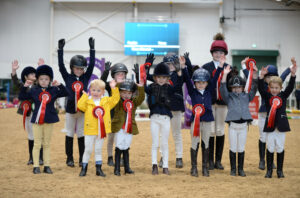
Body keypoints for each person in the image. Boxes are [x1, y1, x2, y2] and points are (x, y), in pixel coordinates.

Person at [202, 33, 249, 170]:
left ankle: (218, 160)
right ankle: (210, 160)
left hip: (223, 104)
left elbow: (234, 86)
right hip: (210, 103)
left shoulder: (230, 68)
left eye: (221, 52)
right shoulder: (206, 67)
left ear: (224, 53)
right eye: (216, 52)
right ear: (212, 53)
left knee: (220, 130)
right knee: (210, 131)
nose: (218, 54)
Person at [19, 65, 68, 174]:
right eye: (41, 79)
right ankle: (36, 166)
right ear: (37, 79)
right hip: (36, 120)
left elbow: (66, 93)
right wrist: (25, 86)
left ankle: (47, 165)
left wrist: (60, 85)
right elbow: (22, 97)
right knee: (37, 143)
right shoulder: (33, 90)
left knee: (46, 144)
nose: (44, 81)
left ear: (50, 80)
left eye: (46, 79)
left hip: (49, 120)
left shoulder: (54, 90)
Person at [181, 56, 223, 177]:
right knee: (194, 142)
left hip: (208, 120)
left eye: (203, 82)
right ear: (195, 83)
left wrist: (220, 66)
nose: (200, 84)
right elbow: (188, 81)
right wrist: (184, 67)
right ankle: (194, 167)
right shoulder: (193, 91)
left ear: (206, 83)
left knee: (206, 142)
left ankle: (205, 167)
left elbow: (215, 79)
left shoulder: (209, 90)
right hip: (196, 121)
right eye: (198, 82)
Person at [57, 37, 95, 167]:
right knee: (69, 133)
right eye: (76, 68)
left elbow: (92, 65)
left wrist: (92, 49)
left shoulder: (85, 77)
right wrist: (60, 50)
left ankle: (81, 159)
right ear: (72, 68)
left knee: (81, 134)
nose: (79, 70)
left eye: (81, 68)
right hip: (70, 110)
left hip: (82, 111)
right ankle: (69, 158)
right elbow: (61, 66)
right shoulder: (67, 77)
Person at [258, 61, 297, 178]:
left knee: (280, 147)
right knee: (269, 147)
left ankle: (280, 171)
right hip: (270, 127)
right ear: (269, 88)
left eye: (276, 88)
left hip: (281, 127)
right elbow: (260, 89)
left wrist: (293, 75)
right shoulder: (267, 96)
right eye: (272, 88)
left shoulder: (283, 96)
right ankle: (269, 170)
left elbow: (290, 87)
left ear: (281, 88)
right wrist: (261, 77)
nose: (274, 90)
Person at [220, 65, 258, 177]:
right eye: (234, 87)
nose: (237, 89)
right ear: (231, 88)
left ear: (242, 87)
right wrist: (225, 74)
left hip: (243, 127)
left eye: (239, 87)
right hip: (233, 126)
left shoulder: (247, 96)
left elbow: (254, 87)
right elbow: (222, 88)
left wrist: (253, 74)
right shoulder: (228, 97)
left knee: (241, 147)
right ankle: (233, 169)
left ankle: (240, 169)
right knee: (233, 147)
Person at [145, 62, 182, 175]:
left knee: (164, 143)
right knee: (155, 143)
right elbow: (143, 85)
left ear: (167, 78)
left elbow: (178, 86)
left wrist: (179, 73)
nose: (161, 79)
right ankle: (154, 165)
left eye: (164, 77)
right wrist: (146, 68)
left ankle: (165, 166)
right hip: (154, 119)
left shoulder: (170, 89)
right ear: (155, 78)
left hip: (166, 119)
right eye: (159, 77)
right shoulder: (151, 87)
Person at [77, 79, 119, 177]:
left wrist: (114, 88)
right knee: (88, 149)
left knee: (98, 150)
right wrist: (84, 96)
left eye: (99, 90)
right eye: (94, 90)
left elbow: (115, 99)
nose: (96, 92)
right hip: (89, 130)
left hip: (102, 130)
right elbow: (80, 106)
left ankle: (98, 169)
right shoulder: (87, 101)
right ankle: (84, 168)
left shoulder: (106, 101)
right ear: (90, 90)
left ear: (103, 92)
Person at [11, 59, 45, 166]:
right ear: (26, 77)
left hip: (38, 114)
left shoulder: (39, 86)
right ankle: (31, 157)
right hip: (27, 114)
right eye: (31, 74)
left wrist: (41, 68)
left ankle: (40, 158)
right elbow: (15, 81)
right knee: (31, 136)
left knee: (39, 136)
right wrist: (13, 70)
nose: (34, 75)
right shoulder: (23, 86)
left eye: (35, 73)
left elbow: (45, 79)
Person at [111, 79, 145, 176]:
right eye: (124, 93)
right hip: (119, 128)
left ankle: (127, 168)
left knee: (126, 147)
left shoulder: (134, 102)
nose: (126, 95)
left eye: (129, 93)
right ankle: (116, 169)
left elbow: (141, 98)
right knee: (118, 147)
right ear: (120, 92)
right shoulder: (117, 101)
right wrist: (116, 85)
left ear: (132, 94)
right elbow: (114, 96)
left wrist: (140, 87)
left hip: (129, 129)